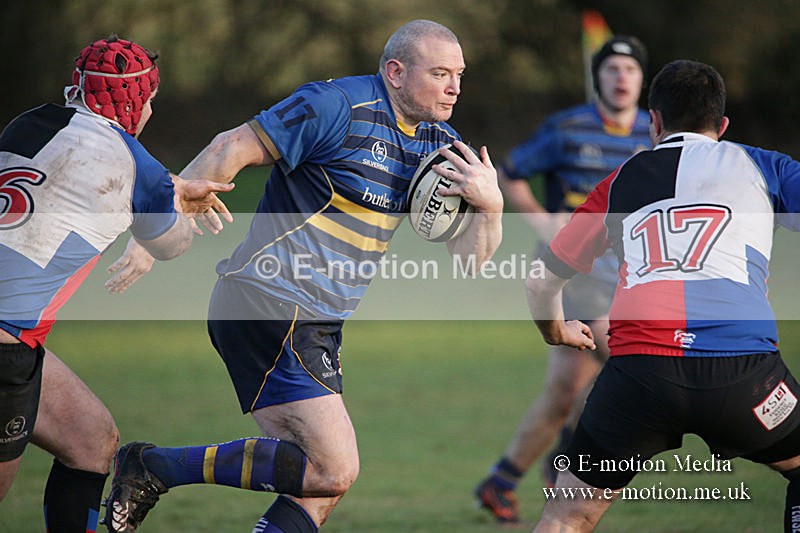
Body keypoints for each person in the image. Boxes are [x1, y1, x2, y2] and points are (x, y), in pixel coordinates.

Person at [102, 19, 503, 533]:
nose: (454, 88)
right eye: (441, 73)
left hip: (318, 323)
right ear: (396, 72)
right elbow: (231, 149)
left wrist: (489, 209)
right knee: (333, 467)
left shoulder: (442, 147)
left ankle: (153, 468)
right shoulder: (335, 106)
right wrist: (156, 233)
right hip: (267, 301)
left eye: (460, 75)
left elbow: (471, 260)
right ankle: (154, 467)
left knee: (315, 482)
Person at [527, 59, 800, 532]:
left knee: (567, 516)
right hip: (743, 372)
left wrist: (557, 332)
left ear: (652, 121)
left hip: (639, 376)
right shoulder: (764, 166)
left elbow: (541, 281)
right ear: (723, 124)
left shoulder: (617, 183)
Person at [0, 35, 233, 533]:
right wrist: (182, 206)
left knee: (90, 438)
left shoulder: (27, 124)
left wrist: (164, 187)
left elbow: (87, 171)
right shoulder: (134, 165)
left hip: (18, 339)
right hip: (6, 346)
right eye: (148, 100)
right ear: (134, 102)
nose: (149, 109)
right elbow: (170, 244)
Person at [474, 35, 650, 523]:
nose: (621, 78)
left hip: (626, 277)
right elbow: (510, 173)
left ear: (641, 79)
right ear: (598, 77)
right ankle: (568, 464)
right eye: (611, 69)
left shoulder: (651, 135)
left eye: (630, 70)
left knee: (565, 394)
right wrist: (542, 221)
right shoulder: (567, 128)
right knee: (630, 357)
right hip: (573, 274)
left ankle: (502, 480)